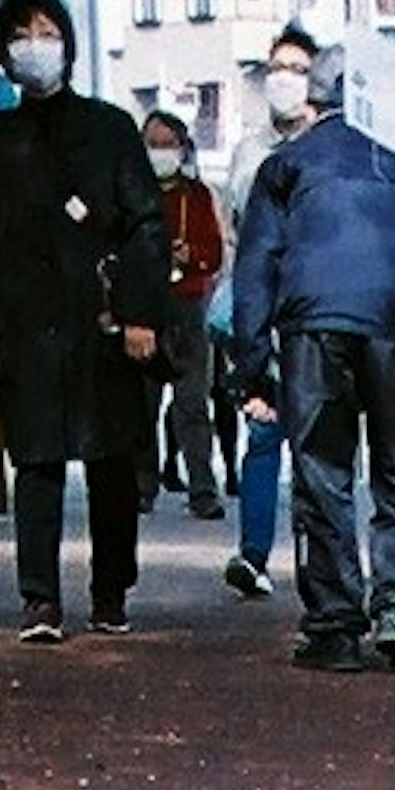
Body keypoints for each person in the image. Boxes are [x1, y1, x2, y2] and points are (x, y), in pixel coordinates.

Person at [231, 49, 395, 669]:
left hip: (313, 323)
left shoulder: (287, 164)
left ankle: (334, 625)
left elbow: (255, 269)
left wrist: (251, 364)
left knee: (323, 472)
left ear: (316, 99)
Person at [0, 0, 166, 639]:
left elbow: (145, 227)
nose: (35, 45)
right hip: (23, 323)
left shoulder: (109, 128)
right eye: (22, 34)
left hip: (101, 322)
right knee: (36, 463)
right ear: (3, 53)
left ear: (70, 46)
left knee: (111, 463)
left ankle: (110, 591)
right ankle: (39, 598)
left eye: (48, 32)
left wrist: (140, 314)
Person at [222, 37, 325, 598]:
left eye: (298, 69)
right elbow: (238, 232)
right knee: (262, 434)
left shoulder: (329, 146)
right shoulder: (248, 151)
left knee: (319, 447)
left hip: (315, 313)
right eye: (277, 68)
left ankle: (319, 560)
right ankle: (253, 553)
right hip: (263, 312)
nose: (284, 78)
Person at [141, 112, 230, 513]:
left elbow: (213, 253)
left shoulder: (197, 196)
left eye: (166, 144)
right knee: (142, 402)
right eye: (152, 144)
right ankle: (142, 485)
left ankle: (202, 489)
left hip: (188, 304)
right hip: (145, 306)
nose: (159, 152)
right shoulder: (133, 191)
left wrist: (188, 256)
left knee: (192, 401)